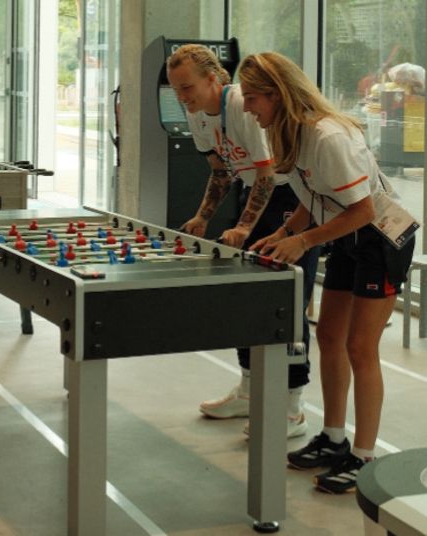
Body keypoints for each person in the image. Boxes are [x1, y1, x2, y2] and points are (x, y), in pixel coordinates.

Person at [238, 51, 415, 494]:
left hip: (379, 238)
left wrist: (303, 242)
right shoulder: (289, 133)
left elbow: (362, 210)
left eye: (252, 97)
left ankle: (364, 457)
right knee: (329, 337)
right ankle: (334, 438)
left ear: (278, 95)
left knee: (360, 347)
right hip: (346, 236)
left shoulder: (329, 136)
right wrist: (283, 232)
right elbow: (312, 197)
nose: (246, 108)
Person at [166, 44, 320, 438]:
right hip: (255, 196)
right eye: (177, 90)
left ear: (213, 79)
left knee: (289, 299)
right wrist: (203, 216)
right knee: (245, 295)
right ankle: (250, 391)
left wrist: (244, 229)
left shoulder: (241, 106)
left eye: (188, 88)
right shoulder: (197, 113)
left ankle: (292, 406)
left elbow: (268, 175)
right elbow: (221, 172)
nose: (183, 98)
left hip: (290, 198)